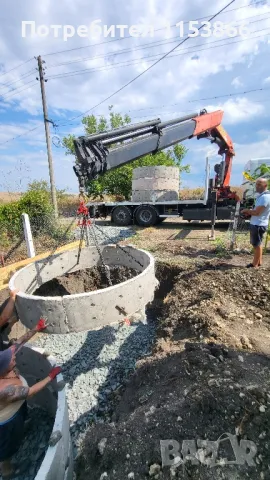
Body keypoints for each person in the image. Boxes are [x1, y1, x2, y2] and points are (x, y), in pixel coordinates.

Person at [0, 318, 62, 478]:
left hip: (18, 408)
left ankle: (23, 429)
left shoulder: (4, 363)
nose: (14, 358)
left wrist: (36, 328)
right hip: (6, 422)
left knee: (22, 422)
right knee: (5, 448)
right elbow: (30, 392)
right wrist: (50, 377)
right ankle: (7, 470)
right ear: (4, 370)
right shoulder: (5, 391)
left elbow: (19, 342)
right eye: (11, 360)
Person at [242, 177, 270, 268]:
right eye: (256, 184)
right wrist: (251, 211)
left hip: (258, 224)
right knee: (259, 243)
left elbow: (257, 213)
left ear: (265, 185)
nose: (256, 186)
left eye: (259, 184)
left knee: (256, 245)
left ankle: (254, 264)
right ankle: (259, 262)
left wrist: (246, 210)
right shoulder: (263, 196)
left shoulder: (264, 197)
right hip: (259, 223)